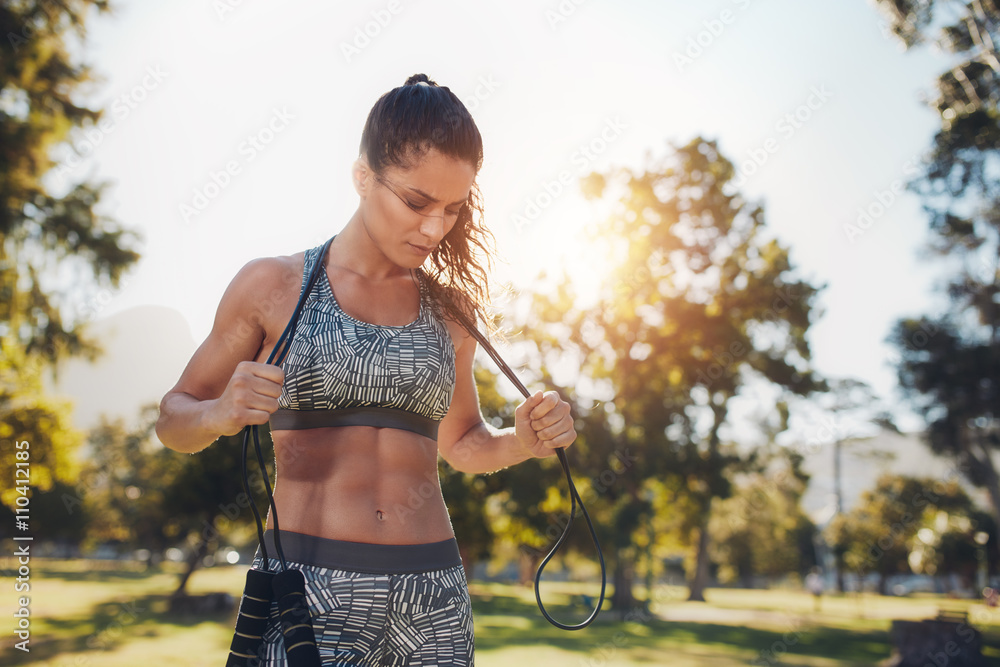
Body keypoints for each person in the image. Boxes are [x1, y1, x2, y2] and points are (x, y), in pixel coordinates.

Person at [155, 73, 577, 666]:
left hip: (433, 599)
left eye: (453, 209)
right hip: (309, 595)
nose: (434, 228)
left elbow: (461, 442)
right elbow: (173, 419)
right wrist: (221, 412)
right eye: (415, 201)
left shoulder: (452, 312)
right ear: (362, 177)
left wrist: (522, 442)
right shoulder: (274, 286)